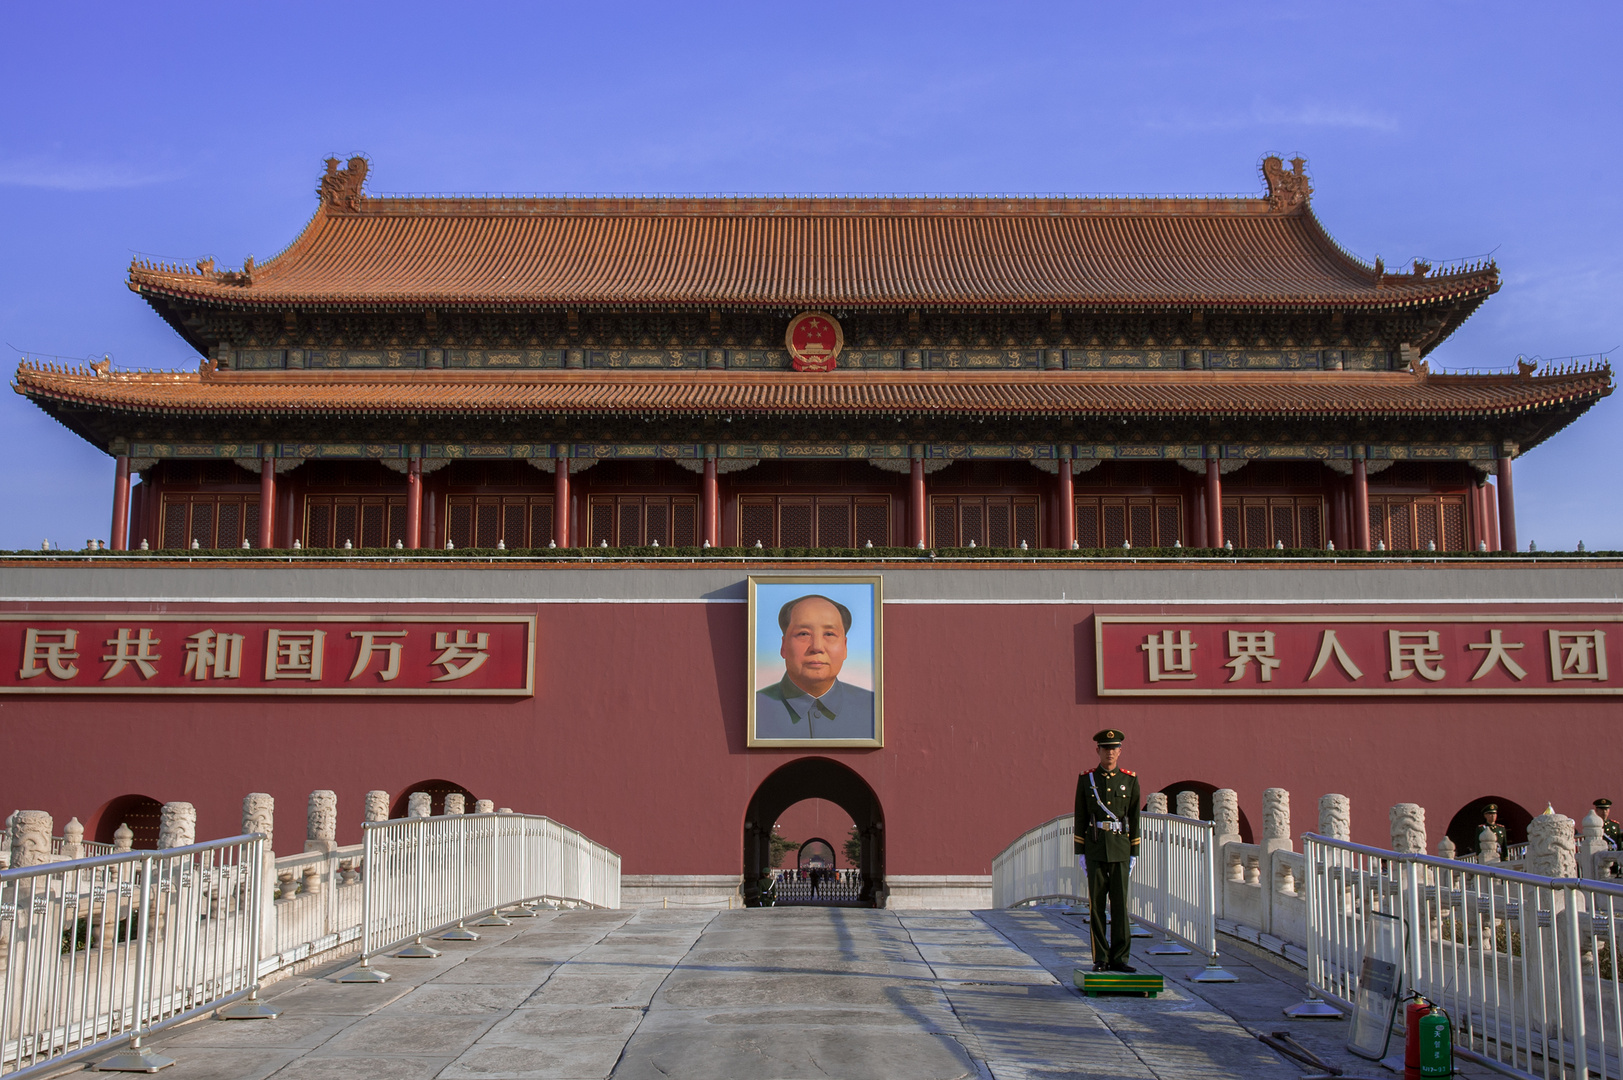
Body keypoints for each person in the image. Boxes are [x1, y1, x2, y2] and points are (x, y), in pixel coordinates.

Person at [755, 594, 875, 739]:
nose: (817, 647)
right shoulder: (753, 709)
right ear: (783, 646)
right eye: (804, 633)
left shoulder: (874, 709)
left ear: (845, 647)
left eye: (829, 634)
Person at [1074, 728, 1141, 973]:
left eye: (1114, 749)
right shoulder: (1087, 779)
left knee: (1121, 906)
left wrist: (1134, 852)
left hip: (1121, 848)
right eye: (1105, 748)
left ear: (1120, 751)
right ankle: (1100, 957)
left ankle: (1121, 958)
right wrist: (1080, 852)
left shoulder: (1130, 780)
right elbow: (1080, 815)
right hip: (1095, 847)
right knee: (1098, 905)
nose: (1109, 753)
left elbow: (1134, 817)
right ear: (1098, 751)